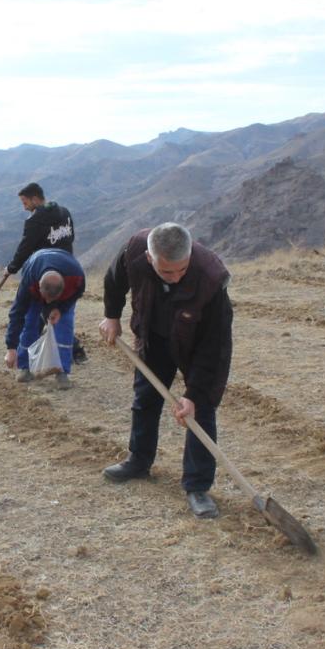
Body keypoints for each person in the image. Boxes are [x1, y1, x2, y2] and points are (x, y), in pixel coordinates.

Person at [98, 222, 233, 520]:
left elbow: (216, 346)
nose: (175, 278)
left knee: (200, 410)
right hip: (154, 335)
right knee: (145, 399)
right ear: (150, 259)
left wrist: (194, 394)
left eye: (182, 270)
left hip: (196, 341)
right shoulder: (134, 250)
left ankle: (197, 486)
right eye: (166, 272)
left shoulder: (211, 277)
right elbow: (114, 279)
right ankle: (139, 460)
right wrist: (111, 316)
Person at [6, 182, 87, 365]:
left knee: (35, 315)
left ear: (35, 199)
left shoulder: (35, 220)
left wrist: (12, 267)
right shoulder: (65, 212)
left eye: (25, 202)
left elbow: (25, 247)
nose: (24, 207)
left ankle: (29, 358)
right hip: (65, 272)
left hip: (42, 274)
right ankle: (74, 350)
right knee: (57, 312)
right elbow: (71, 237)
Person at [4, 248, 85, 389]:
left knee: (64, 327)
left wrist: (61, 309)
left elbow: (77, 294)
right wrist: (11, 348)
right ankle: (25, 368)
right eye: (45, 299)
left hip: (63, 294)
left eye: (51, 300)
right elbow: (17, 313)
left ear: (63, 289)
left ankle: (61, 372)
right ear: (39, 288)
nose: (47, 303)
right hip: (36, 275)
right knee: (30, 323)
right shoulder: (29, 280)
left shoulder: (76, 277)